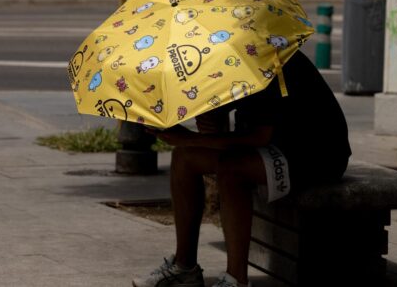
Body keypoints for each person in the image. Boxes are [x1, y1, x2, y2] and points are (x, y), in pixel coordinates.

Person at [131, 51, 352, 287]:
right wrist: (205, 123)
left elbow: (258, 137)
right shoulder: (228, 60)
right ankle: (185, 267)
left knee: (232, 168)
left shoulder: (267, 60)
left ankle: (236, 279)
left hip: (315, 154)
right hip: (276, 145)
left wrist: (189, 139)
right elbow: (227, 128)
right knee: (185, 159)